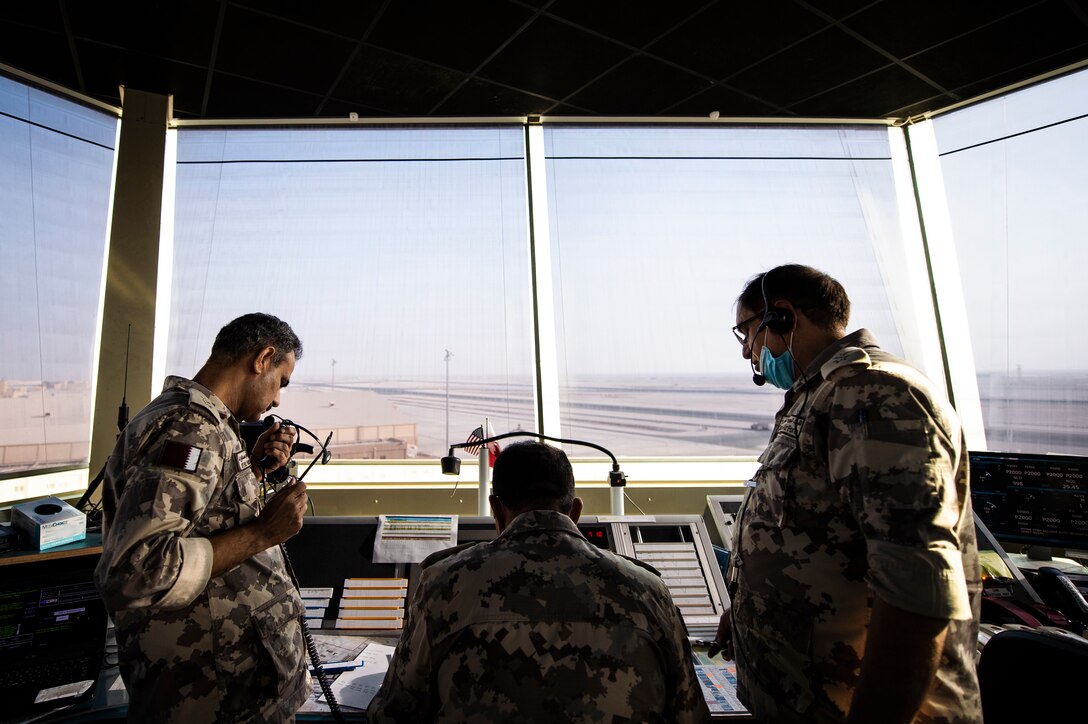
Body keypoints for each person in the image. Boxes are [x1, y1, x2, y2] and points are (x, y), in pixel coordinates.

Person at [709, 264, 983, 723]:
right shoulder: (823, 395)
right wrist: (746, 612)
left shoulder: (873, 394)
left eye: (747, 332)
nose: (746, 352)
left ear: (782, 316)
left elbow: (918, 592)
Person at [367, 440, 711, 723]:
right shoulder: (648, 591)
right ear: (575, 511)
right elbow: (690, 715)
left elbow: (395, 713)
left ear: (496, 510)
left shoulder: (444, 584)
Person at [94, 313, 312, 723]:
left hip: (233, 686)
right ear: (262, 359)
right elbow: (137, 572)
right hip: (210, 694)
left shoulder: (208, 423)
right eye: (281, 381)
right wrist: (263, 533)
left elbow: (202, 513)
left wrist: (257, 469)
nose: (278, 401)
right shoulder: (189, 426)